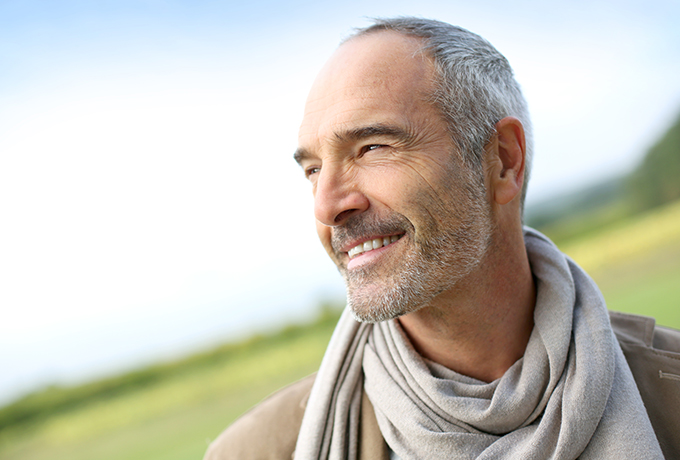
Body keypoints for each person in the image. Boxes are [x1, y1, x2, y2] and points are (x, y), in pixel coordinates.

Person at [205, 17, 680, 459]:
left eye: (372, 147)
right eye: (313, 170)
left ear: (503, 161)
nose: (327, 206)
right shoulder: (257, 451)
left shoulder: (670, 393)